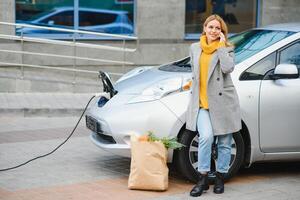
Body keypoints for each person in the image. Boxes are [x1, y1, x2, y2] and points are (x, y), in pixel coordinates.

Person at [186, 14, 241, 197]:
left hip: (223, 102)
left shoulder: (227, 48)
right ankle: (202, 179)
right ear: (205, 28)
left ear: (222, 32)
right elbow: (195, 73)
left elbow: (227, 68)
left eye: (218, 28)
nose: (214, 31)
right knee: (206, 137)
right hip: (202, 103)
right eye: (211, 27)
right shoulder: (194, 48)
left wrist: (221, 47)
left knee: (225, 142)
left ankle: (219, 178)